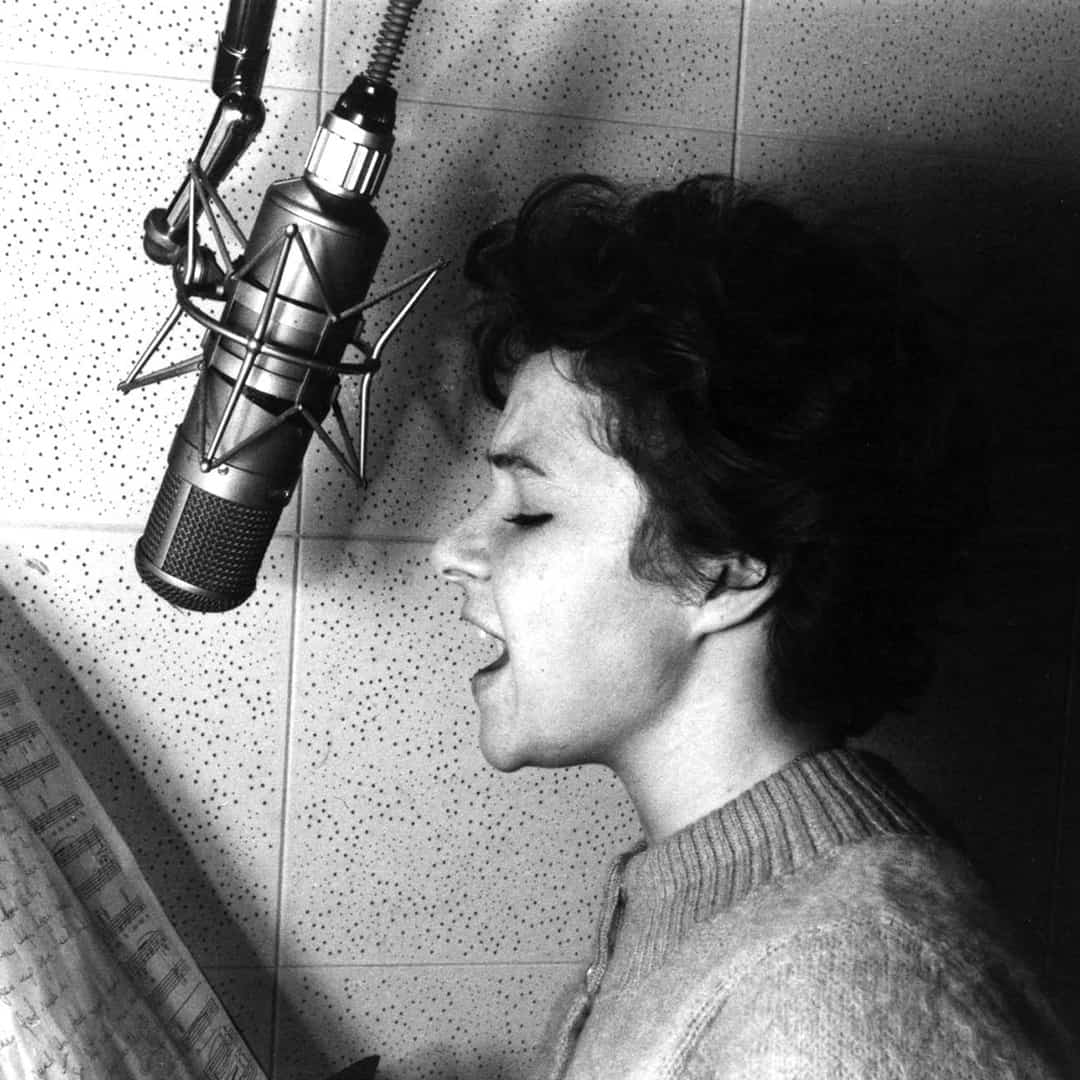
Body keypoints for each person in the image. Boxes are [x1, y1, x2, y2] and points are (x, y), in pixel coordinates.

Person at [430, 173, 1076, 1079]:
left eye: (530, 512)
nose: (450, 551)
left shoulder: (847, 996)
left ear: (726, 570)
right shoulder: (733, 910)